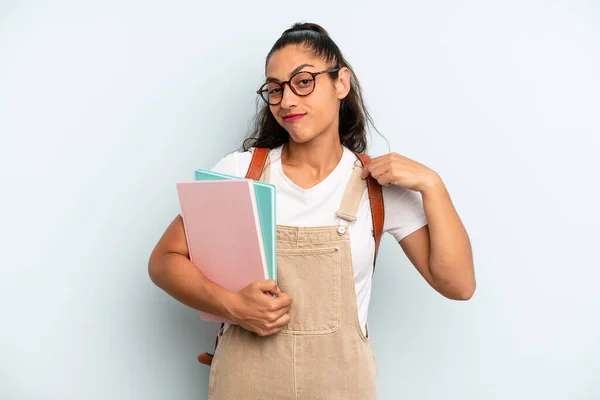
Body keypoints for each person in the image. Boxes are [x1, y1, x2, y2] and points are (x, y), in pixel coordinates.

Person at [148, 22, 475, 400]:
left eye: (303, 82)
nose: (286, 100)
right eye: (275, 88)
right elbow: (164, 261)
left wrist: (433, 185)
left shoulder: (377, 189)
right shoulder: (240, 174)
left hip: (342, 387)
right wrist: (235, 306)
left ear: (341, 83)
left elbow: (459, 285)